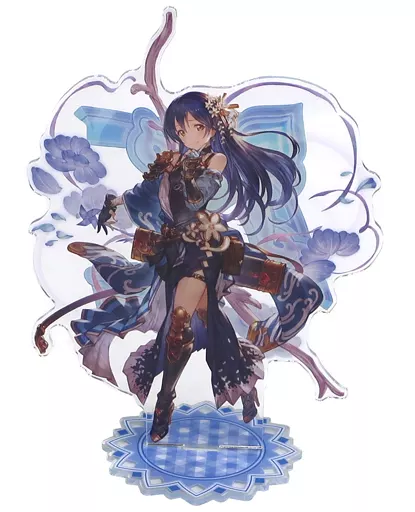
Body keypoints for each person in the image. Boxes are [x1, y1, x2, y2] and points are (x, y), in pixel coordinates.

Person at [66, 91, 322, 442]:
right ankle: (244, 386)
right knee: (209, 322)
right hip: (173, 251)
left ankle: (164, 401)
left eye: (196, 127)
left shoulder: (215, 159)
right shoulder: (173, 161)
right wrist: (114, 205)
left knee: (180, 321)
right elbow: (142, 194)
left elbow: (199, 195)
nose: (188, 134)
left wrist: (182, 173)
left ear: (212, 128)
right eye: (182, 129)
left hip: (204, 249)